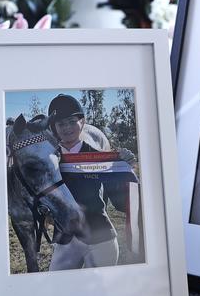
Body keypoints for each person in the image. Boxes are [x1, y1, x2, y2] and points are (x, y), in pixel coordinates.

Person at [47, 93, 135, 271]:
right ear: (53, 127)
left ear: (83, 122)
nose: (67, 128)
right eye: (61, 123)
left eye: (72, 121)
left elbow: (121, 202)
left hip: (101, 239)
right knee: (59, 291)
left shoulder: (101, 158)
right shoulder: (48, 161)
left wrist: (124, 167)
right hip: (65, 240)